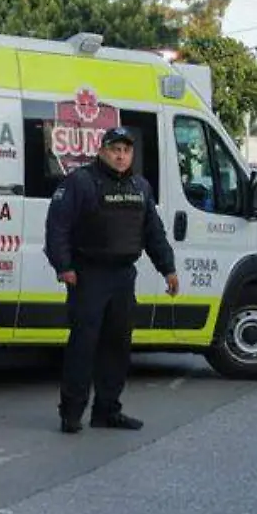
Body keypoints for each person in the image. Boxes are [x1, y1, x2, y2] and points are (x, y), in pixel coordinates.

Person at [44, 126, 179, 435]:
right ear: (102, 151)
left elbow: (153, 233)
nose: (121, 155)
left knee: (117, 347)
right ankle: (72, 412)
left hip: (122, 276)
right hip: (88, 275)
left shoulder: (140, 187)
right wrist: (63, 266)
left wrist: (168, 269)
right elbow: (58, 227)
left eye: (126, 150)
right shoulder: (80, 182)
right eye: (115, 149)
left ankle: (107, 411)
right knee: (83, 346)